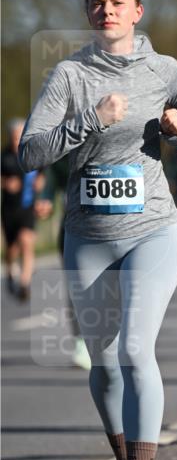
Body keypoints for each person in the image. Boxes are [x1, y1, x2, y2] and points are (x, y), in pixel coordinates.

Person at [19, 0, 177, 460]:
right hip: (88, 238)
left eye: (118, 2)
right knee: (104, 364)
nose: (108, 10)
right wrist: (90, 119)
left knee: (135, 349)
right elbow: (31, 152)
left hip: (153, 230)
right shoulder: (69, 75)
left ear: (137, 12)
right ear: (89, 14)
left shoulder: (164, 69)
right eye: (98, 3)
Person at [34, 157, 92, 369]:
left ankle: (117, 338)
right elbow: (50, 181)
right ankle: (81, 344)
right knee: (77, 289)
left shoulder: (120, 134)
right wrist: (44, 199)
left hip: (119, 229)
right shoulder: (66, 150)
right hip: (74, 231)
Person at [2, 119, 43, 300]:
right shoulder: (4, 157)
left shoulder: (32, 153)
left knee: (26, 241)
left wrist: (42, 182)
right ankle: (10, 271)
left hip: (28, 207)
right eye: (14, 135)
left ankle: (24, 284)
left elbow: (44, 173)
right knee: (12, 250)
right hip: (10, 209)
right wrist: (5, 183)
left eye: (20, 135)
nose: (17, 139)